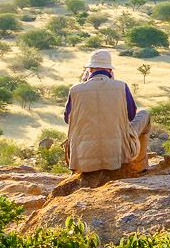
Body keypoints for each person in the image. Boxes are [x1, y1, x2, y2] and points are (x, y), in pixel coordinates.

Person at [56, 49, 152, 197]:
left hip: (82, 156)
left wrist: (84, 85)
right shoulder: (121, 86)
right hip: (118, 153)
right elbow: (132, 115)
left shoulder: (75, 90)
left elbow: (67, 119)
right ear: (110, 70)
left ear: (89, 70)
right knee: (144, 114)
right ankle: (139, 167)